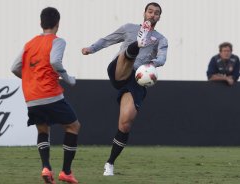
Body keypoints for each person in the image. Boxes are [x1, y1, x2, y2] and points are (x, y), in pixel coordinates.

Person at [82, 2, 168, 176]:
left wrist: (152, 64)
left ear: (159, 17)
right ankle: (138, 43)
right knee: (127, 56)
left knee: (125, 123)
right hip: (119, 69)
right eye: (150, 11)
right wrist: (91, 49)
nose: (152, 15)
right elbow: (107, 40)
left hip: (137, 80)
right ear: (144, 13)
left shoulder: (161, 39)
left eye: (156, 13)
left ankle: (110, 163)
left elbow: (162, 58)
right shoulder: (129, 28)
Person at [11, 7, 80, 184]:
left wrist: (31, 78)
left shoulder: (29, 44)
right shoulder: (58, 41)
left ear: (41, 23)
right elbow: (55, 61)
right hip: (50, 93)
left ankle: (46, 167)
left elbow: (14, 67)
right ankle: (66, 172)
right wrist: (68, 78)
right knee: (73, 126)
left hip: (31, 97)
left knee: (43, 129)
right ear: (58, 23)